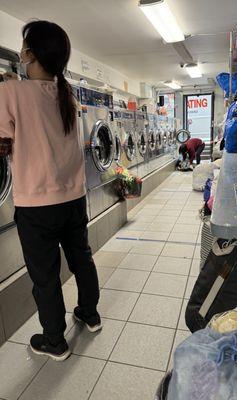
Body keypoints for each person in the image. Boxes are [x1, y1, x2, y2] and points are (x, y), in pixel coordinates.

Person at [0, 21, 101, 361]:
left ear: (30, 52)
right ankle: (89, 314)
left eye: (24, 46)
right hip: (73, 198)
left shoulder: (10, 91)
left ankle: (55, 340)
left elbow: (2, 143)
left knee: (45, 275)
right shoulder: (65, 91)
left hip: (36, 204)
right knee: (81, 259)